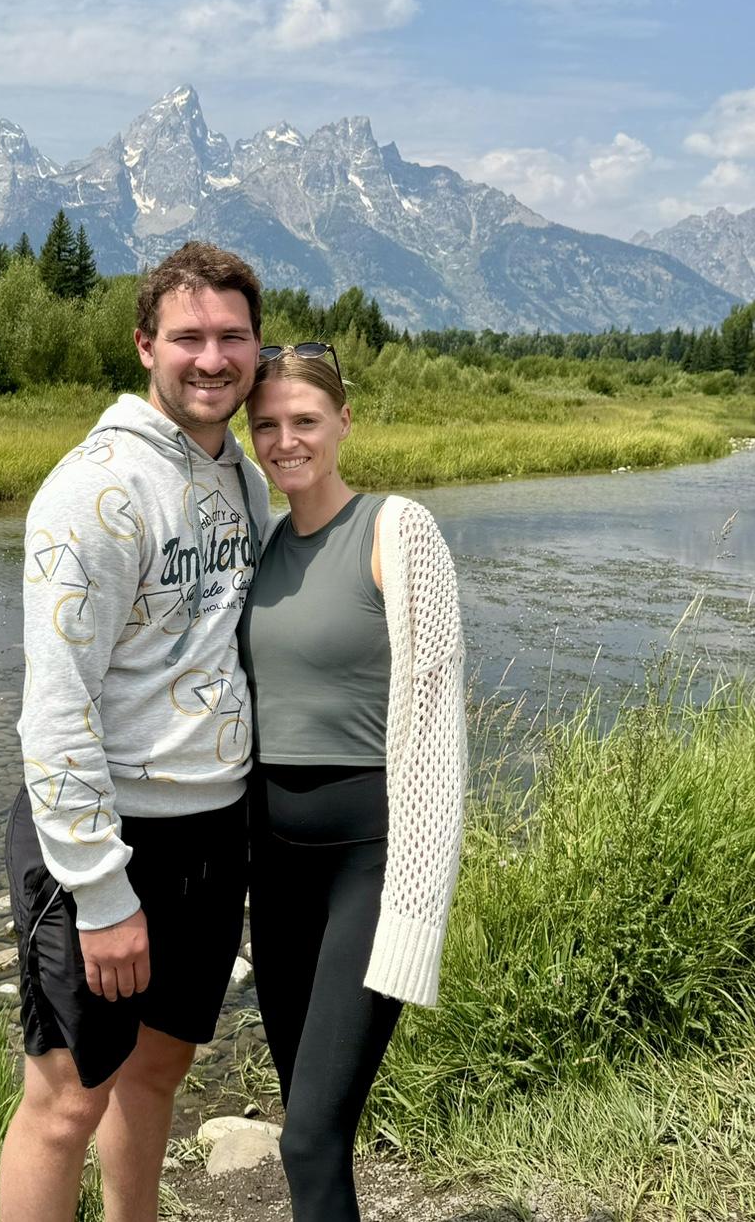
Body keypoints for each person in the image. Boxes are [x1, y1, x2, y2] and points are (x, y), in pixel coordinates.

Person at [0, 241, 269, 1222]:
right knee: (66, 1100)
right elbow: (54, 702)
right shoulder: (93, 490)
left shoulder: (241, 475)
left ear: (255, 347)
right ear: (145, 344)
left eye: (232, 337)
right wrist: (101, 891)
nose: (212, 358)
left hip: (211, 830)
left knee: (157, 1070)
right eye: (189, 336)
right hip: (108, 846)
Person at [238, 341, 466, 1222]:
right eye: (267, 425)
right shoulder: (261, 548)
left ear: (342, 422)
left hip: (366, 867)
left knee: (306, 1137)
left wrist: (419, 908)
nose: (285, 441)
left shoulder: (396, 530)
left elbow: (439, 729)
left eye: (303, 421)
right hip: (275, 867)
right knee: (307, 1117)